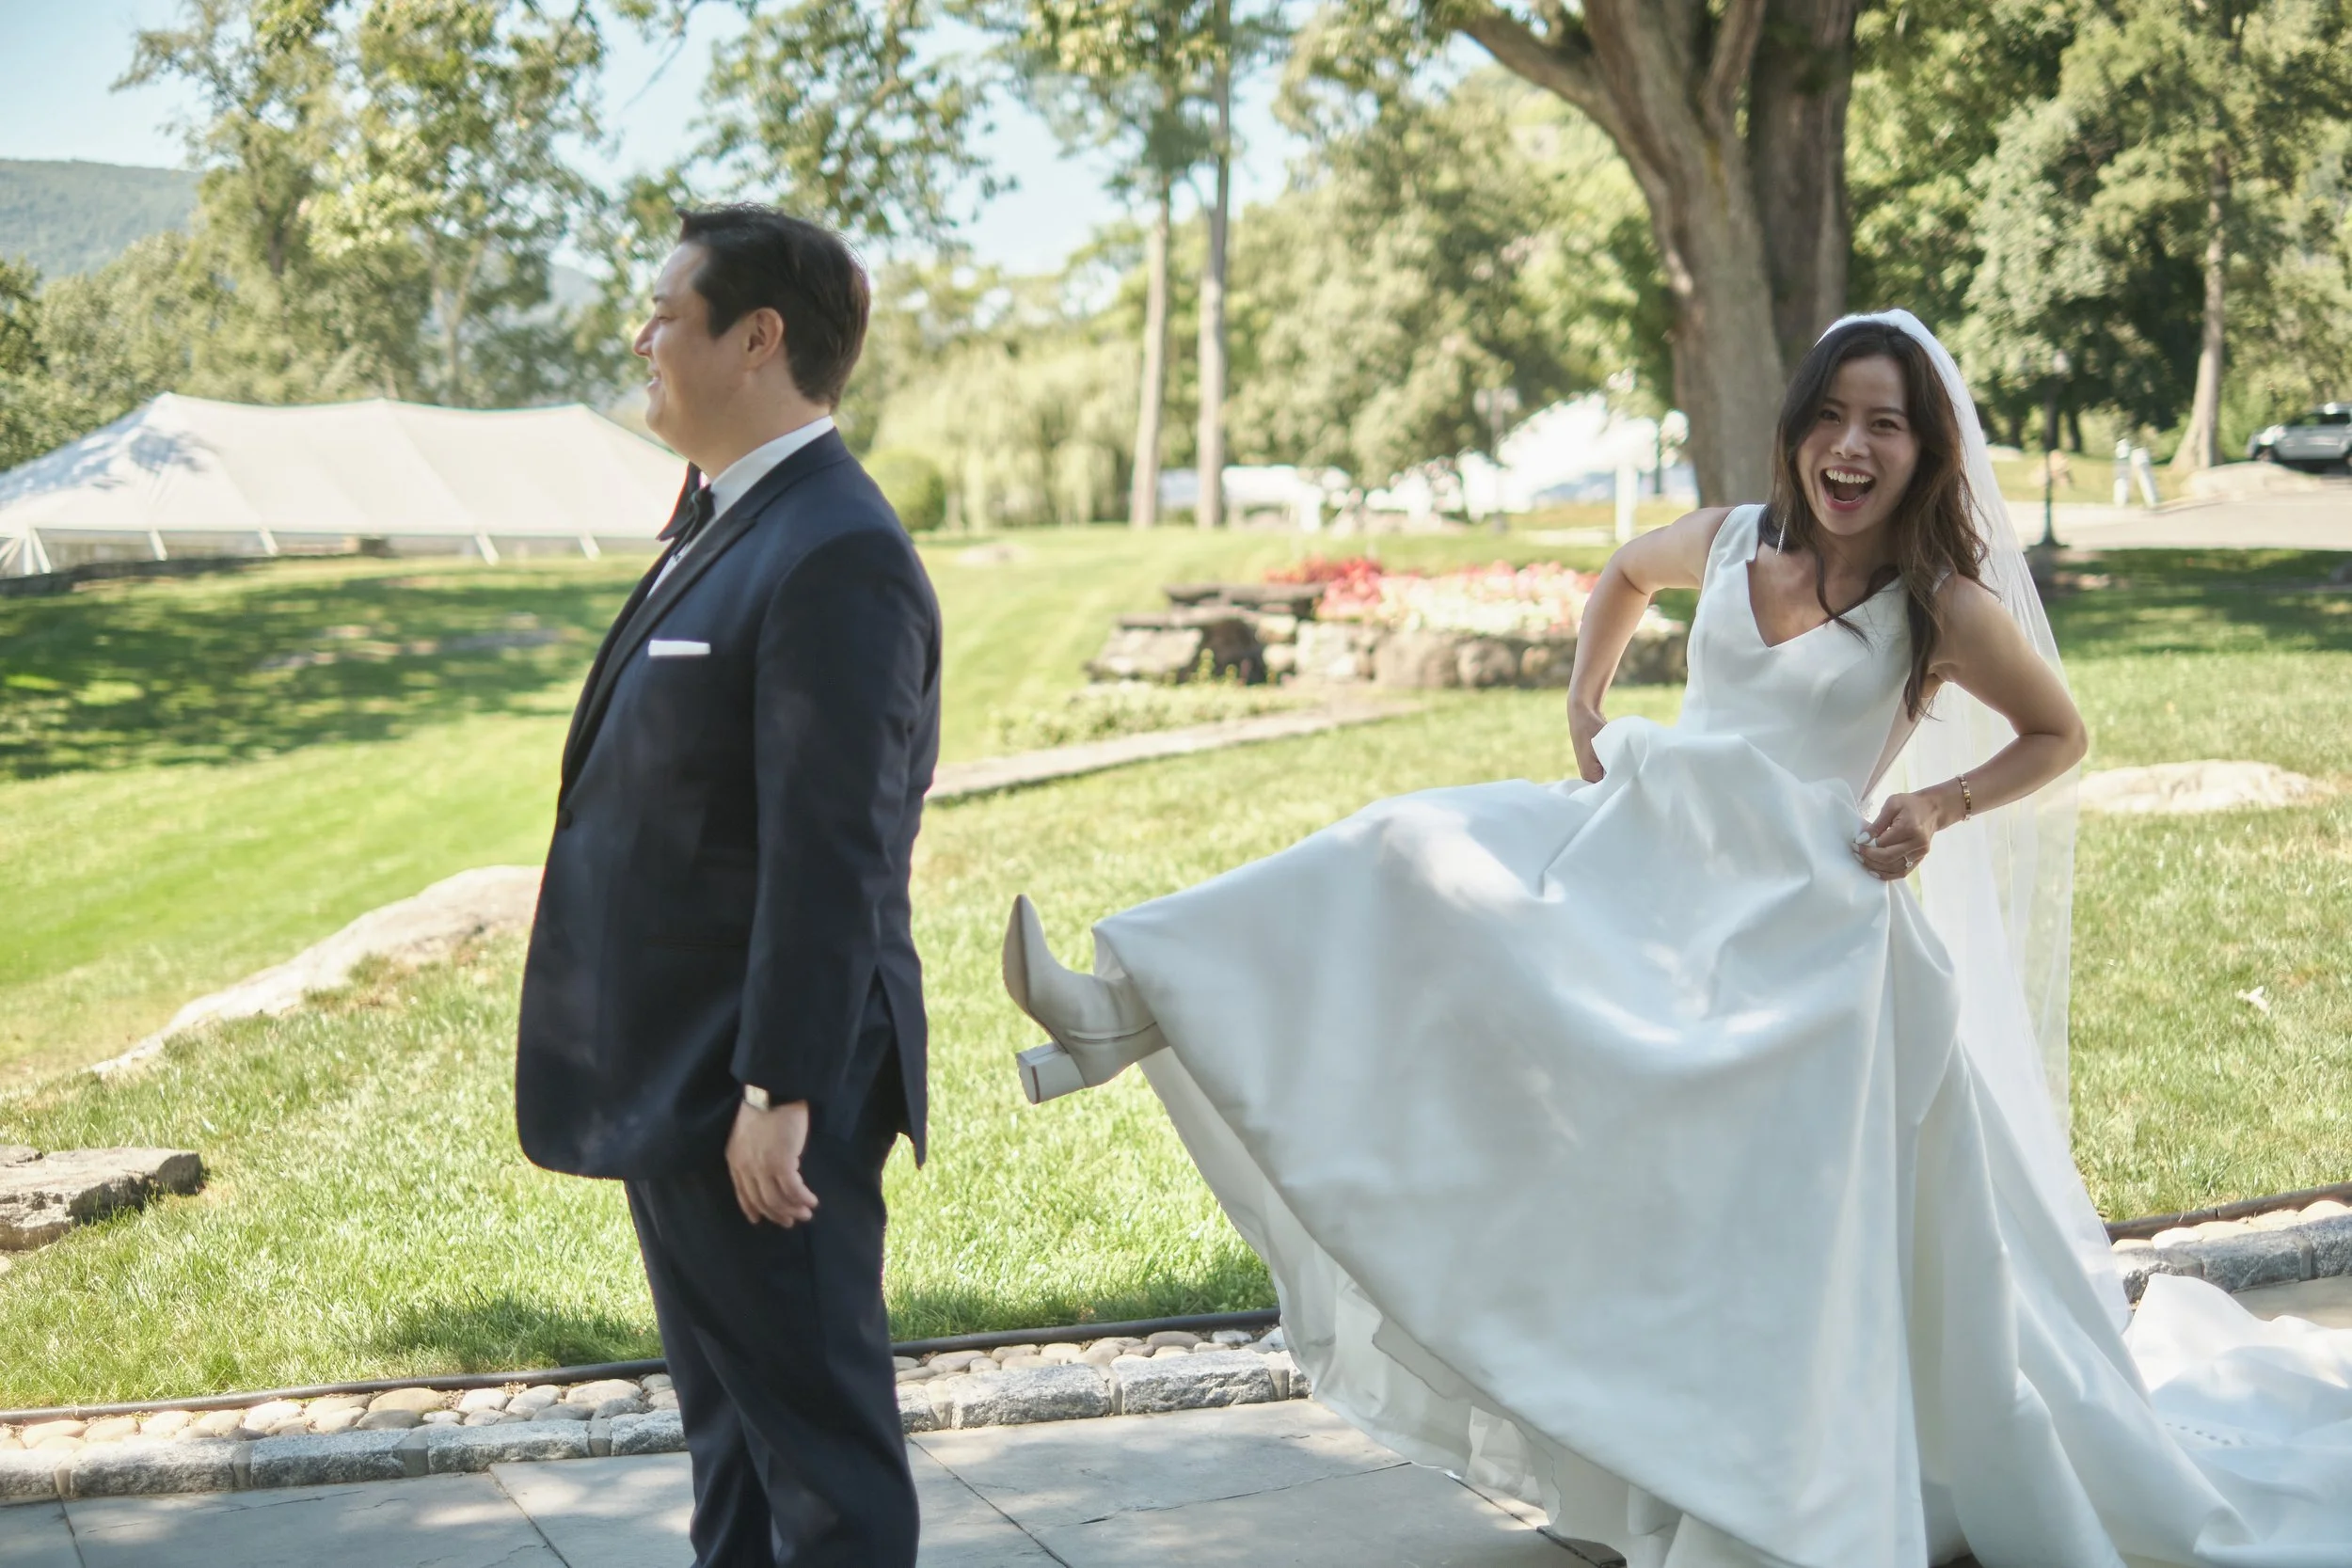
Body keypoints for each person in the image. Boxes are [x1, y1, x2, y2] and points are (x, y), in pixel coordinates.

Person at [1002, 313, 2352, 1566]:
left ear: (1923, 451)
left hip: (1798, 939)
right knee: (1396, 853)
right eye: (1830, 416)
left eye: (1884, 423)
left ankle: (1719, 1479)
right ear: (1797, 430)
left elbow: (2061, 732)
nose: (1851, 446)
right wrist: (1585, 702)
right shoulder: (1723, 541)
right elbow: (1617, 574)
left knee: (1724, 1229)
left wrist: (1936, 800)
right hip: (1645, 859)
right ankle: (1124, 998)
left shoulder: (1938, 603)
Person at [515, 203, 940, 1568]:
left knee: (821, 1464)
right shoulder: (731, 520)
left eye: (664, 313)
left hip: (761, 1089)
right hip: (689, 1075)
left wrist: (783, 1087)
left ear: (757, 339)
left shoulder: (838, 550)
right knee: (739, 1454)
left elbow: (837, 848)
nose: (641, 336)